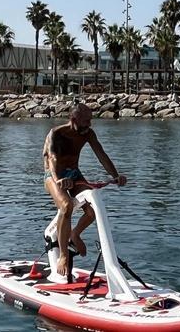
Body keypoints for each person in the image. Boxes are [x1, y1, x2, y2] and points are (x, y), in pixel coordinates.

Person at [43, 103, 127, 277]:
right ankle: (63, 255)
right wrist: (59, 179)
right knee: (66, 206)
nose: (90, 124)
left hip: (74, 174)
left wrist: (116, 176)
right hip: (53, 176)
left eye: (90, 121)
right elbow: (52, 159)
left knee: (92, 210)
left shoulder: (88, 133)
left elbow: (101, 154)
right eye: (86, 121)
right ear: (74, 120)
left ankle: (74, 233)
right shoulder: (56, 134)